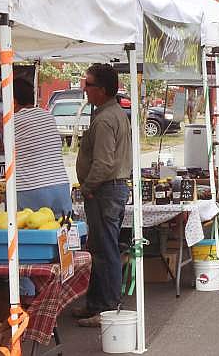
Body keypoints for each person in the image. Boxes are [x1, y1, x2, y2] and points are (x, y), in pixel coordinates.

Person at [73, 63, 132, 327]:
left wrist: (88, 187)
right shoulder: (108, 113)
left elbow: (104, 162)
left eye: (88, 84)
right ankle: (97, 303)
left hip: (105, 190)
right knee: (99, 248)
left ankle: (107, 307)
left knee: (105, 250)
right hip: (107, 189)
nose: (84, 89)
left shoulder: (107, 118)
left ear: (102, 90)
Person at [13, 75, 72, 216]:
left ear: (13, 102)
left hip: (32, 188)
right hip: (60, 186)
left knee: (30, 234)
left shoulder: (13, 121)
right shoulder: (48, 116)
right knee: (62, 232)